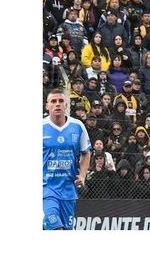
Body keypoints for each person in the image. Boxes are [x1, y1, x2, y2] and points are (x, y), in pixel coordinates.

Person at [43, 89, 92, 229]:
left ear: (66, 105)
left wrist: (82, 176)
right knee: (55, 227)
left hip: (68, 190)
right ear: (47, 106)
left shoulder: (78, 126)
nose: (57, 104)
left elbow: (86, 153)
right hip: (46, 189)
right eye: (53, 101)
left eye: (60, 101)